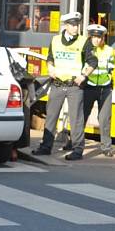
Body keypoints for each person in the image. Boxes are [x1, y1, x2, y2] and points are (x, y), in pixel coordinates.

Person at [31, 11, 97, 160]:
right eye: (73, 25)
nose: (76, 28)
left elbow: (93, 61)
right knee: (51, 117)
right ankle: (46, 147)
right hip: (58, 84)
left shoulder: (83, 41)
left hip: (75, 86)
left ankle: (77, 150)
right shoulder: (55, 40)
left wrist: (84, 75)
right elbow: (50, 58)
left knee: (76, 119)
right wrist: (50, 68)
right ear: (66, 26)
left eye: (77, 25)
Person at [0, 31, 33, 161]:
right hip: (8, 88)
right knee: (16, 116)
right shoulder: (7, 51)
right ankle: (14, 149)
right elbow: (23, 65)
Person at [83, 24, 115, 157]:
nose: (97, 40)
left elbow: (111, 67)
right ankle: (75, 142)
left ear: (103, 38)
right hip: (88, 86)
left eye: (99, 37)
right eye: (94, 37)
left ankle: (106, 147)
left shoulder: (109, 50)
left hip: (105, 88)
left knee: (104, 119)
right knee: (82, 116)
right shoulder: (85, 49)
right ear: (90, 37)